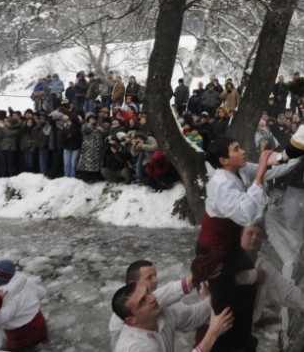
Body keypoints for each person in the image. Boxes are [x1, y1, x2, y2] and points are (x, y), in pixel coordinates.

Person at [191, 136, 301, 351]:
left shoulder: (239, 170)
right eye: (236, 149)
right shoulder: (221, 183)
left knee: (244, 303)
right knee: (224, 314)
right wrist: (260, 171)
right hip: (216, 257)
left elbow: (274, 167)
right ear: (224, 160)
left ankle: (243, 342)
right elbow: (247, 214)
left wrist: (294, 151)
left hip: (231, 251)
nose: (243, 151)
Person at [112, 282, 233, 352]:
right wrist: (212, 334)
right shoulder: (136, 347)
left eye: (148, 293)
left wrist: (223, 291)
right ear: (131, 321)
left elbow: (196, 314)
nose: (153, 298)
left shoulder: (162, 315)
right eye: (142, 301)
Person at [109, 260, 196, 350]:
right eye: (149, 278)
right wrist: (194, 278)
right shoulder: (123, 310)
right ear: (132, 284)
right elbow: (164, 294)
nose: (156, 280)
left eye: (155, 275)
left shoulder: (153, 307)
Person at [239, 225, 304, 324]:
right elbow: (231, 278)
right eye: (250, 233)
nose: (254, 237)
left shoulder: (264, 267)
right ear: (241, 236)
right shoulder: (230, 260)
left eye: (258, 235)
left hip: (244, 327)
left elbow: (286, 291)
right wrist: (255, 275)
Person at [0, 259, 47, 351]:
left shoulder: (5, 296)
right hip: (40, 324)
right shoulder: (25, 282)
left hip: (23, 335)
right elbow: (42, 293)